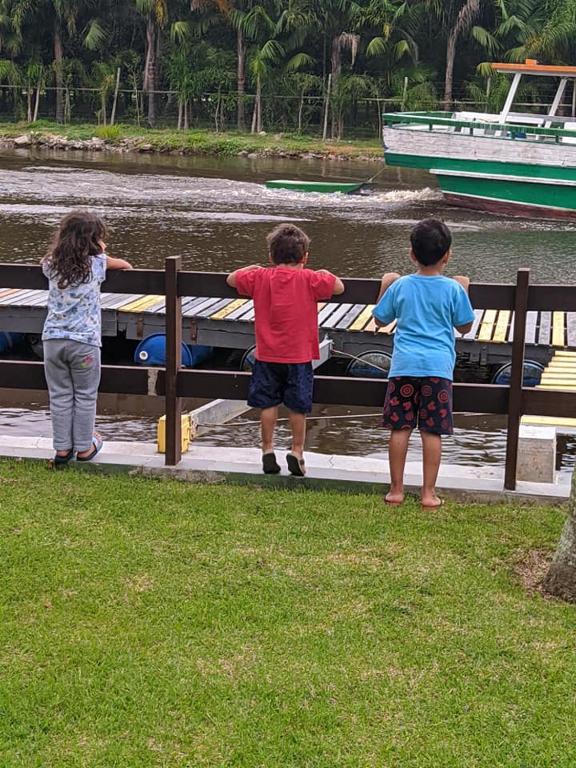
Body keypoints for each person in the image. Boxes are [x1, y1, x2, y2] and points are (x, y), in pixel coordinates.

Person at [372, 218, 475, 508]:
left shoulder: (401, 285)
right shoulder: (453, 289)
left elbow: (380, 320)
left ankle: (396, 489)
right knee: (432, 431)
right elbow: (465, 326)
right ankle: (428, 493)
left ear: (411, 254)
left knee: (400, 428)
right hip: (438, 369)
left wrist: (385, 285)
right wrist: (464, 288)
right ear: (448, 255)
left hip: (404, 366)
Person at [227, 223, 344, 476]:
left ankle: (267, 449)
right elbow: (339, 287)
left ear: (270, 256)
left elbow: (231, 279)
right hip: (299, 356)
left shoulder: (260, 277)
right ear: (305, 257)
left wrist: (251, 268)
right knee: (297, 406)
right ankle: (297, 451)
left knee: (267, 403)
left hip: (267, 355)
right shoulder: (310, 278)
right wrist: (323, 271)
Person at [42, 211, 132, 467]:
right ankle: (84, 447)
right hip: (85, 343)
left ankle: (61, 449)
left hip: (52, 340)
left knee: (59, 395)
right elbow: (125, 265)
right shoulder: (97, 264)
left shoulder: (50, 264)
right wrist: (102, 252)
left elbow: (45, 259)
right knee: (85, 394)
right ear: (95, 241)